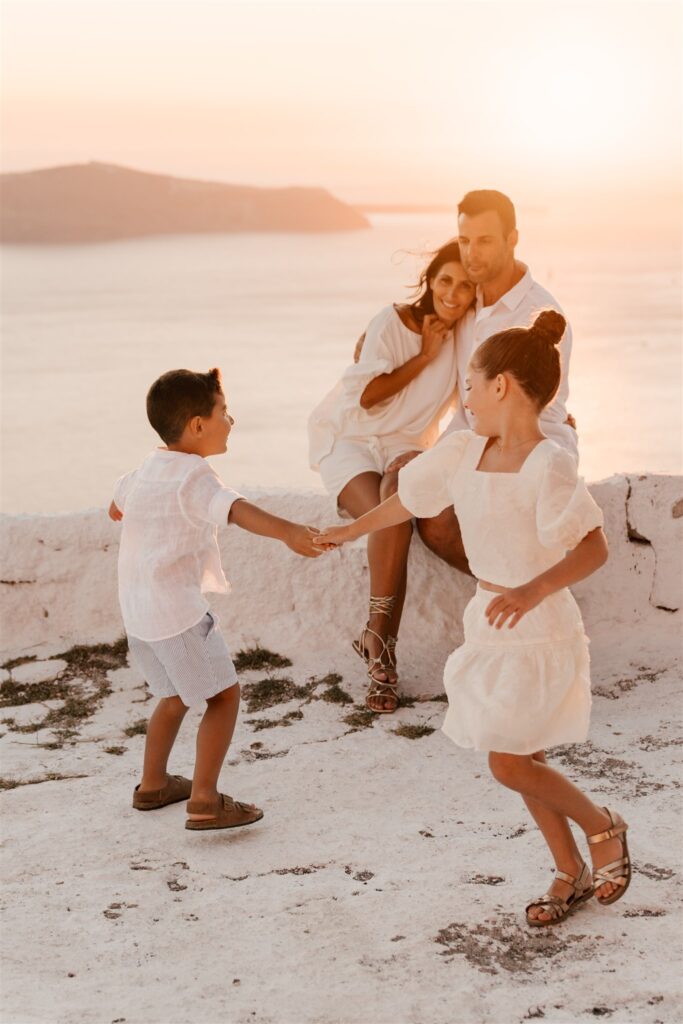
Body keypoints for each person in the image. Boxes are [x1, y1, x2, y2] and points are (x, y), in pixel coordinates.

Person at [314, 310, 632, 926]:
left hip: (537, 628)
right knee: (524, 759)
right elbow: (407, 499)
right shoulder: (465, 450)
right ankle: (571, 873)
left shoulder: (549, 464)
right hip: (490, 624)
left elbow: (594, 546)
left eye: (469, 387)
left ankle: (604, 825)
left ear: (502, 386)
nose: (465, 401)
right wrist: (349, 529)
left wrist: (534, 590)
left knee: (508, 760)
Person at [109, 367, 321, 831]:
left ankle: (153, 785)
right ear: (197, 425)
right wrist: (289, 532)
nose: (231, 420)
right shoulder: (195, 476)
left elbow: (115, 507)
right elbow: (236, 510)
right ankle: (205, 800)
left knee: (172, 695)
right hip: (178, 613)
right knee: (223, 696)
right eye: (224, 412)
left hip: (138, 614)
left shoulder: (144, 469)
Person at [308, 241, 475, 713]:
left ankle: (375, 639)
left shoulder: (466, 333)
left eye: (465, 285)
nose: (453, 292)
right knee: (392, 519)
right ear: (430, 280)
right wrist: (424, 356)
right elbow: (366, 399)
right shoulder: (391, 321)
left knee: (398, 497)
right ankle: (383, 645)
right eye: (445, 280)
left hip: (406, 445)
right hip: (354, 439)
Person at [387, 190, 578, 577]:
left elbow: (536, 417)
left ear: (512, 240)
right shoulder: (465, 300)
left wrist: (445, 461)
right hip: (472, 443)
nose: (472, 253)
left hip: (524, 451)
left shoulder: (537, 314)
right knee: (399, 480)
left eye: (485, 241)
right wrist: (373, 341)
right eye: (464, 240)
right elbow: (413, 317)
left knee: (434, 515)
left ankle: (524, 597)